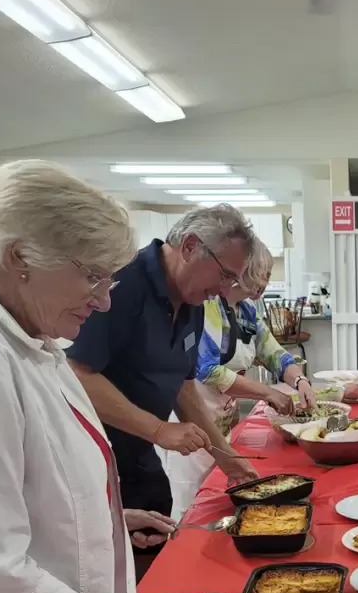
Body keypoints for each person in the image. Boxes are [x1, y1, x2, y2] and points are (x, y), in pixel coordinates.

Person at [0, 160, 171, 593]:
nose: (105, 299)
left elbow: (31, 494)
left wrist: (110, 521)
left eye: (111, 278)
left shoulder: (37, 342)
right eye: (92, 276)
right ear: (18, 258)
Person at [67, 206, 259, 571]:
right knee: (113, 573)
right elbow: (78, 374)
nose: (223, 290)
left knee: (161, 558)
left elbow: (183, 386)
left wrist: (225, 455)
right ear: (189, 247)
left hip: (141, 461)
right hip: (95, 464)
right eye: (223, 275)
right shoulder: (123, 284)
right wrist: (159, 429)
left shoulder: (192, 300)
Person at [165, 239, 317, 517]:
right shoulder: (206, 307)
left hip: (223, 423)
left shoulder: (247, 312)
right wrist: (268, 393)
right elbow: (207, 369)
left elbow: (275, 354)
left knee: (223, 499)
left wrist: (300, 381)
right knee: (193, 506)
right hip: (191, 425)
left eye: (267, 278)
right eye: (259, 277)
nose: (263, 286)